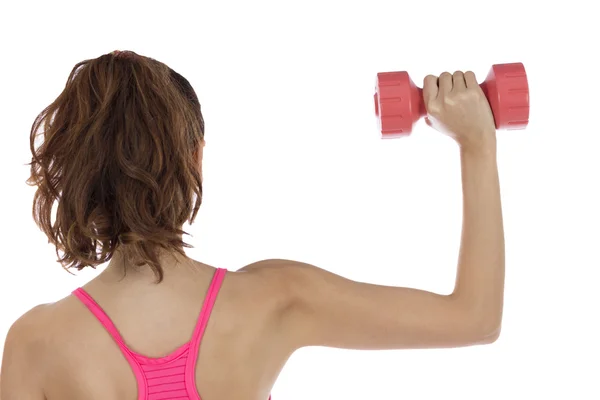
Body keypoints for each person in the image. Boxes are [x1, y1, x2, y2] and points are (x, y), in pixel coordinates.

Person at [0, 50, 505, 400]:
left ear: (77, 169)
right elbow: (474, 317)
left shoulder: (36, 342)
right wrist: (477, 145)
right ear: (194, 158)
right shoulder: (274, 299)